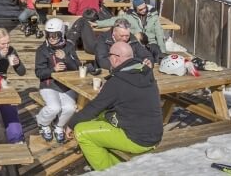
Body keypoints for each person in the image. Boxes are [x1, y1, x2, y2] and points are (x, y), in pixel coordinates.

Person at [65, 41, 163, 171]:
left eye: (109, 55)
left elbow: (94, 107)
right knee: (100, 118)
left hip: (138, 139)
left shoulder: (118, 81)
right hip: (154, 133)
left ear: (116, 58)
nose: (108, 59)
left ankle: (109, 171)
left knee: (81, 131)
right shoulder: (144, 71)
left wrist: (71, 124)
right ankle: (118, 164)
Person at [35, 18, 80, 144]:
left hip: (66, 85)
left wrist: (66, 58)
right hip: (49, 84)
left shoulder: (69, 47)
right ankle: (42, 122)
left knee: (70, 108)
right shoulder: (42, 50)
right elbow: (39, 72)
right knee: (54, 107)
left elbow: (77, 67)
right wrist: (52, 70)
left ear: (61, 34)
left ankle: (59, 126)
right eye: (49, 35)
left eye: (55, 35)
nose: (52, 38)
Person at [93, 0, 166, 62]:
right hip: (138, 43)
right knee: (138, 56)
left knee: (157, 52)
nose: (144, 10)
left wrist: (163, 51)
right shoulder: (129, 16)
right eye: (140, 9)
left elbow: (159, 33)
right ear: (135, 9)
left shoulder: (153, 16)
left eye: (145, 8)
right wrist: (98, 23)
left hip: (151, 42)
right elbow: (114, 20)